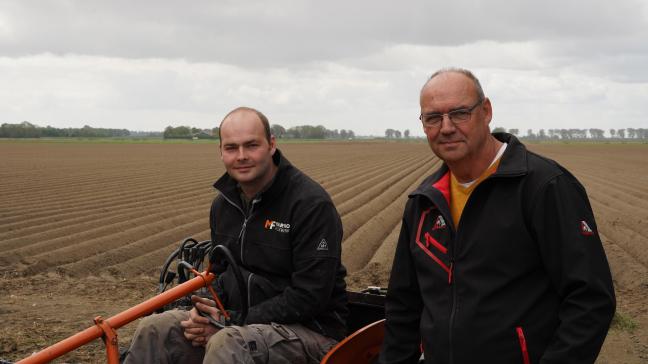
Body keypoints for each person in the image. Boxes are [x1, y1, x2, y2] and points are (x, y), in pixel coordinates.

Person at [378, 68, 615, 364]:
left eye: (460, 113)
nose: (447, 127)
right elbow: (404, 306)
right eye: (433, 118)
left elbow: (590, 300)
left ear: (486, 111)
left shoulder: (543, 187)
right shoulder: (424, 201)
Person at [125, 107, 348, 363]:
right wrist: (205, 310)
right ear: (221, 152)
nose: (241, 156)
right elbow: (220, 274)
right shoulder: (223, 206)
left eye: (251, 145)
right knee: (155, 329)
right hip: (240, 322)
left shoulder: (310, 205)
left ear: (271, 145)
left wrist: (231, 321)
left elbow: (310, 296)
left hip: (312, 332)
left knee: (228, 344)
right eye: (231, 148)